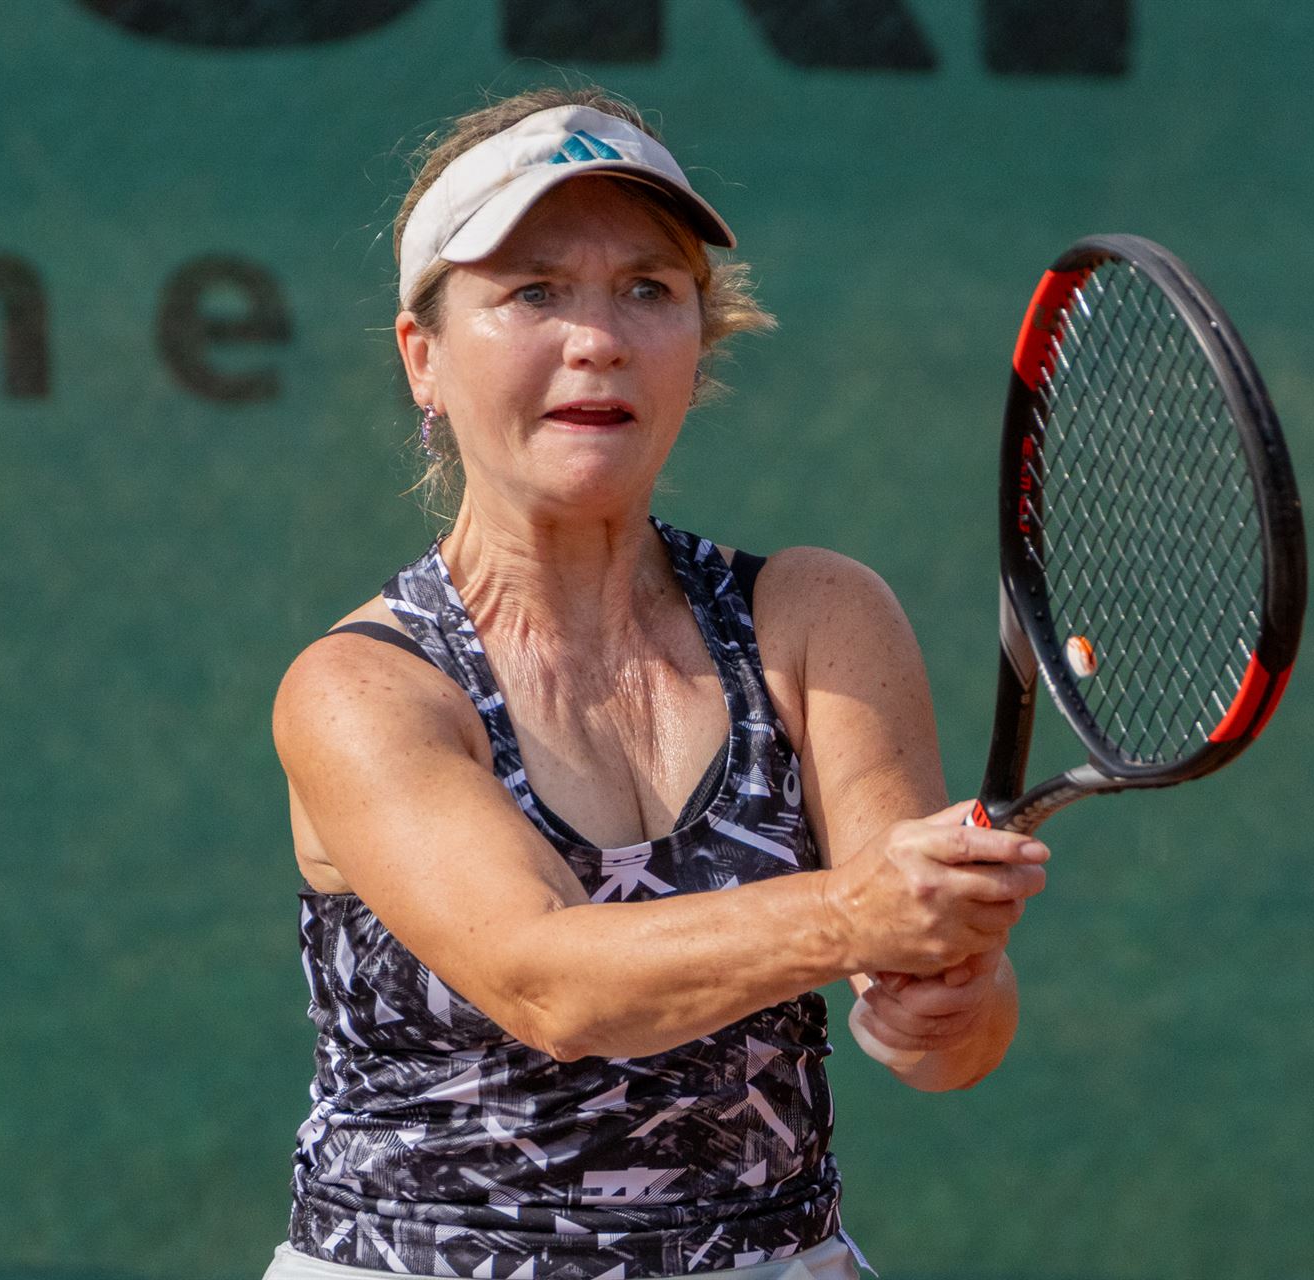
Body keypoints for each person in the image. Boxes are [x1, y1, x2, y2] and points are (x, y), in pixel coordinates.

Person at [265, 87, 1048, 1280]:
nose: (599, 338)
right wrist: (858, 914)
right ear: (423, 358)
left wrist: (948, 994)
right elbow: (551, 985)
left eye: (648, 288)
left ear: (698, 339)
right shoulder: (363, 687)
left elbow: (948, 1032)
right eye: (535, 291)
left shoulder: (817, 616)